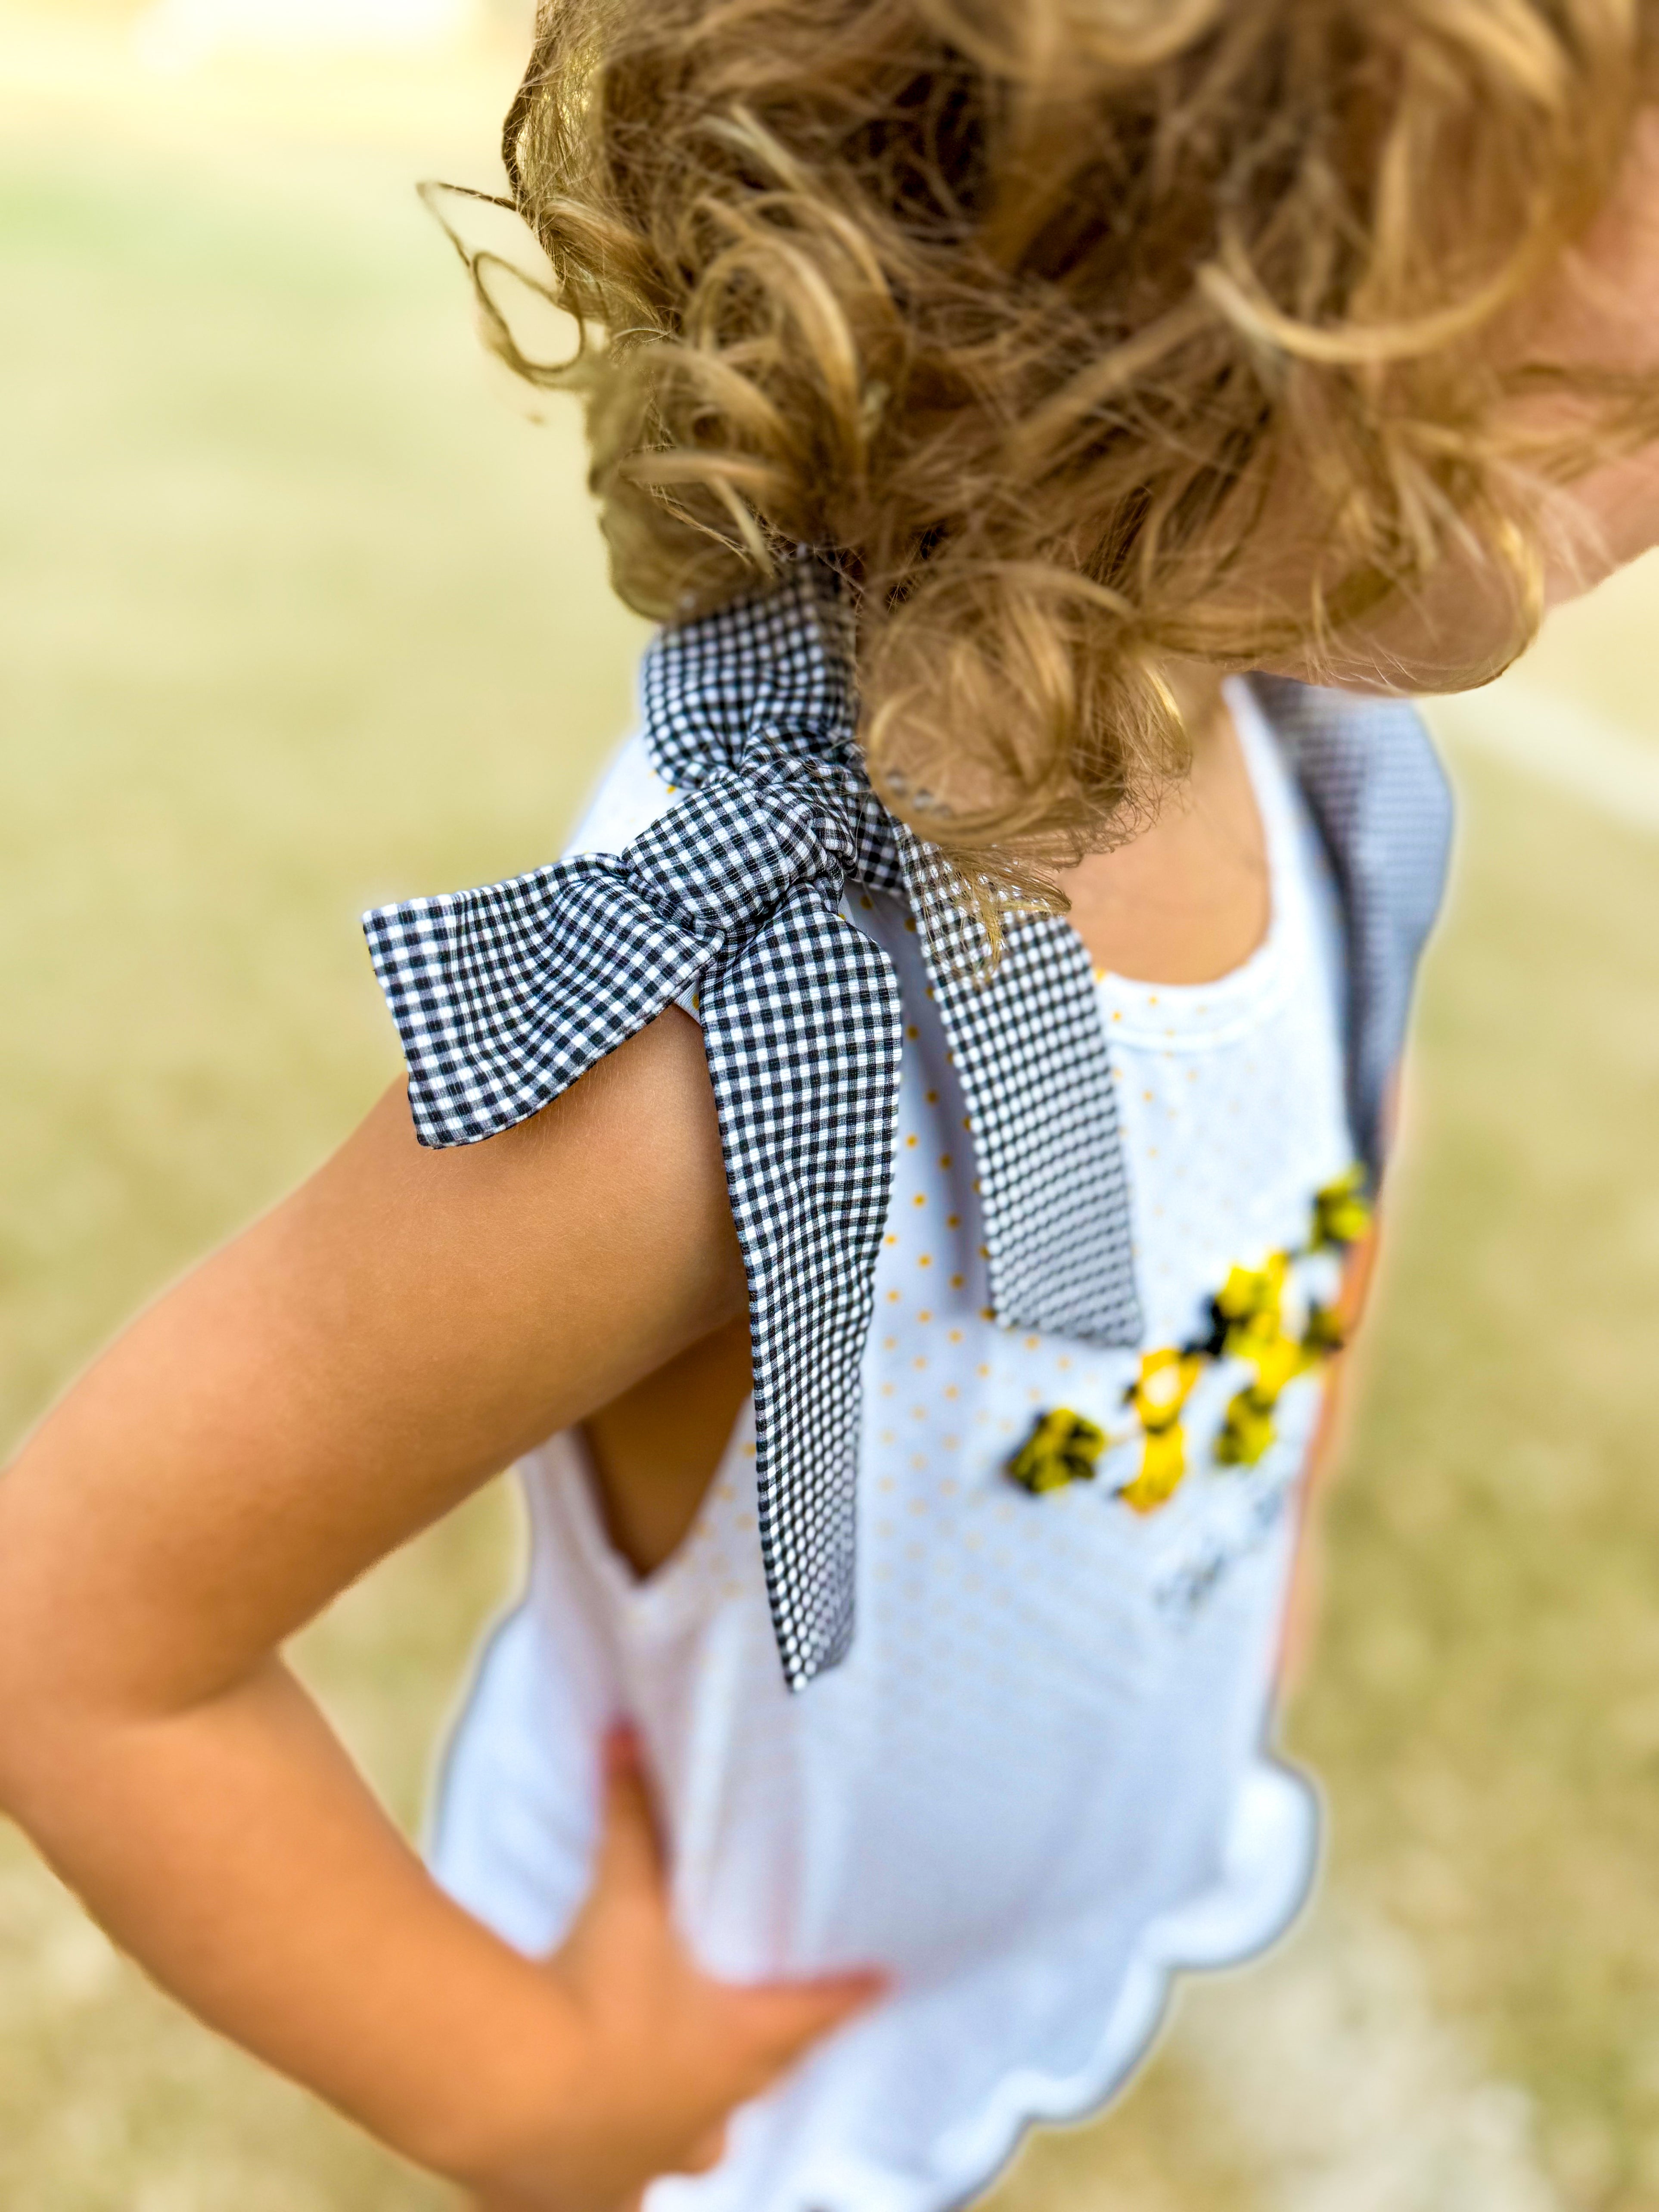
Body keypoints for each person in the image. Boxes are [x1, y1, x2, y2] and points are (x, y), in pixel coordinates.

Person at [4, 6, 1659, 2209]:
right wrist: (530, 2098)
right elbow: (78, 1632)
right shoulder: (737, 1055)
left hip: (1083, 1863)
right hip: (741, 2095)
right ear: (1162, 291)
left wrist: (1289, 1514)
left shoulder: (1302, 752)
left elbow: (1330, 1106)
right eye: (1599, 401)